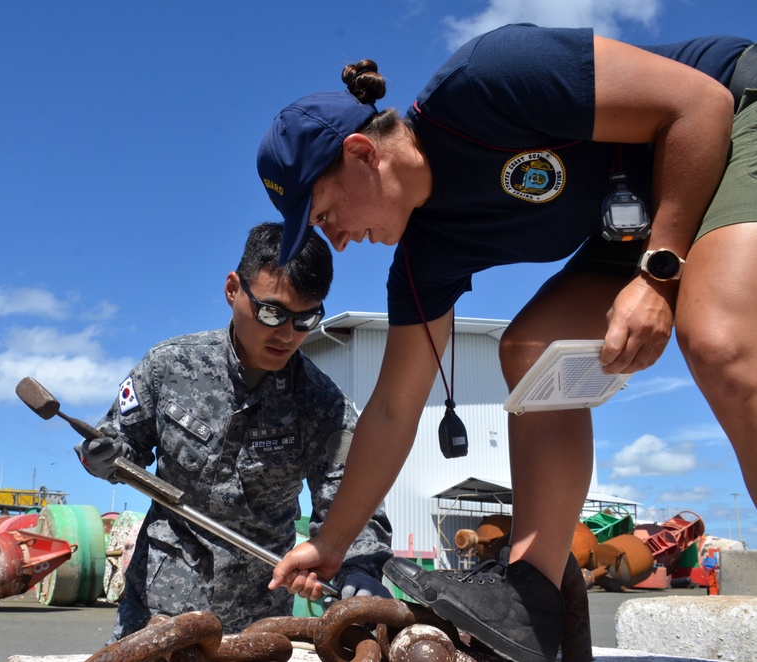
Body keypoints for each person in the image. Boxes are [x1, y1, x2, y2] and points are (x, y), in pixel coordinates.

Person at [256, 23, 756, 662]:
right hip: (638, 215)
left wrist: (660, 271)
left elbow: (699, 107)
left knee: (717, 340)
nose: (339, 240)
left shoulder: (486, 85)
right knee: (529, 353)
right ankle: (532, 598)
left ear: (361, 153)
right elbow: (391, 411)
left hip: (729, 115)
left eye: (326, 215)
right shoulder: (424, 256)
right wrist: (329, 544)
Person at [75, 222, 393, 640]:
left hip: (258, 624)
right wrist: (102, 456)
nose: (286, 334)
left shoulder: (323, 405)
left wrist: (359, 566)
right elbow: (120, 445)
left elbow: (352, 494)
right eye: (272, 312)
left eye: (306, 319)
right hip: (155, 611)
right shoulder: (168, 368)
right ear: (232, 290)